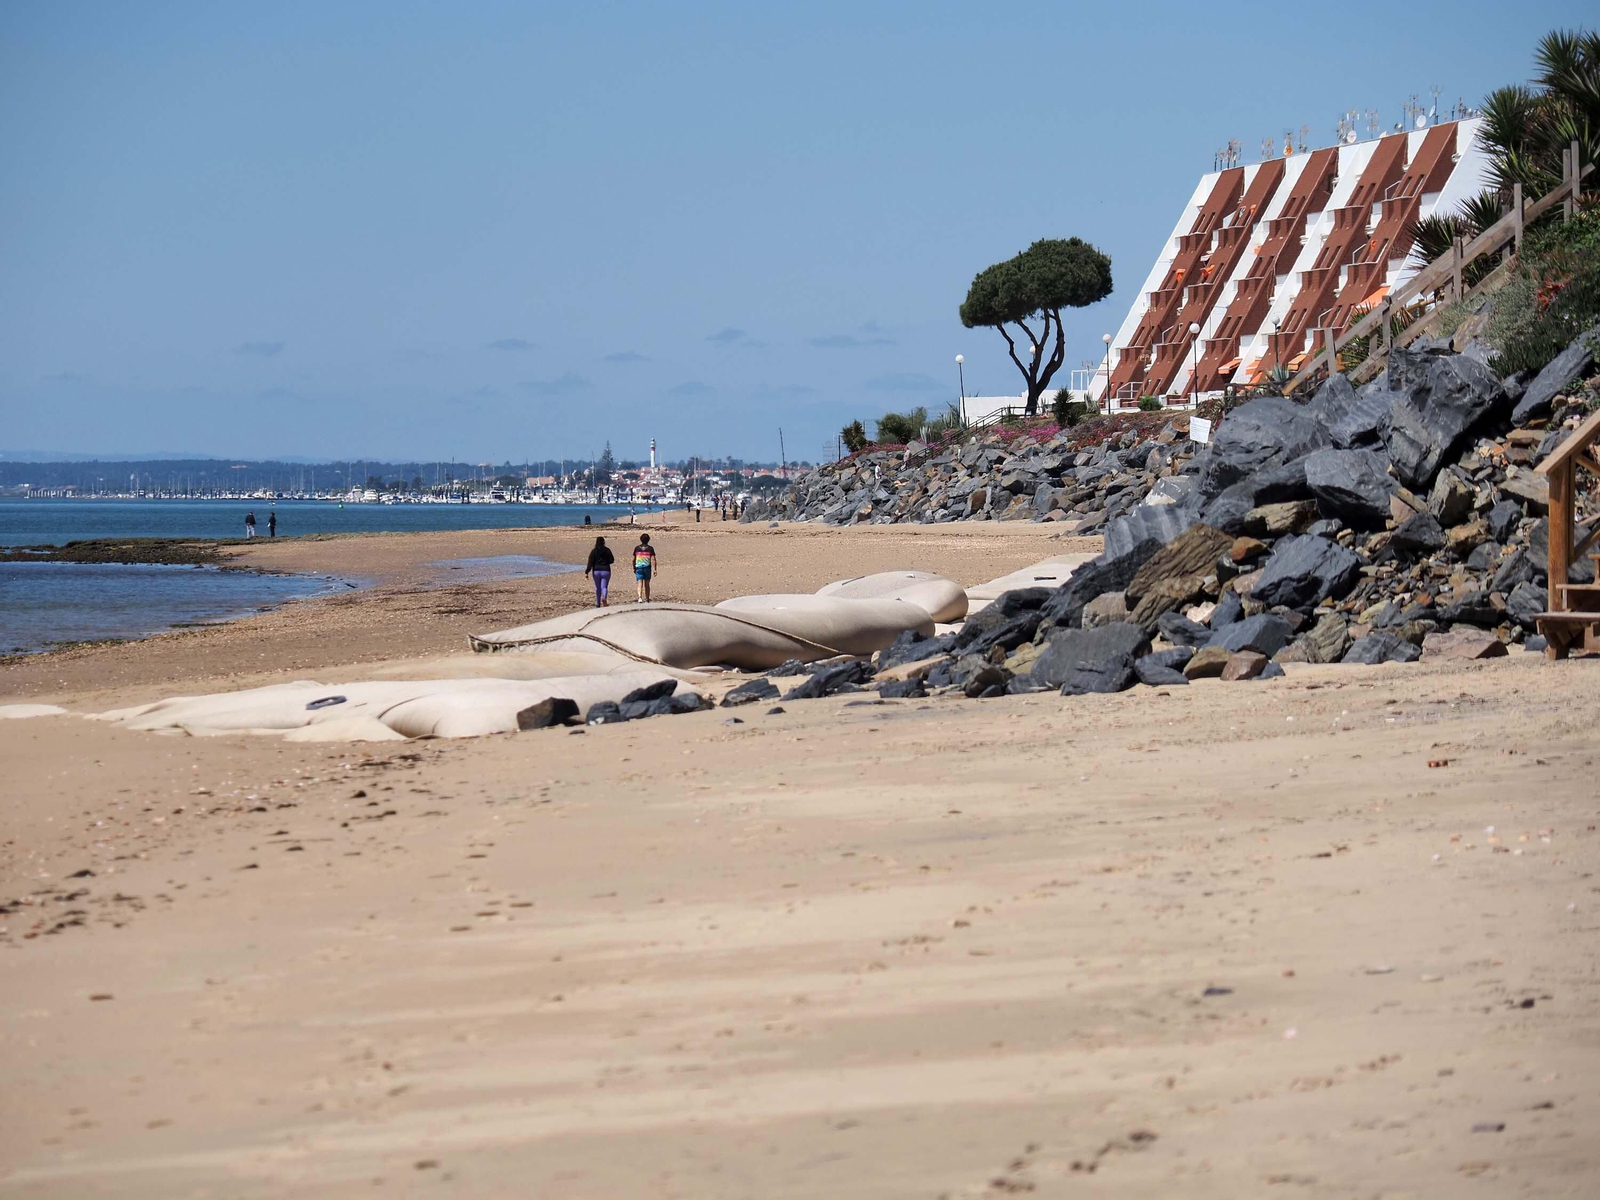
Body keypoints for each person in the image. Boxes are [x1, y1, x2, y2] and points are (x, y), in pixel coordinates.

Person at [585, 535, 614, 607]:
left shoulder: (594, 551)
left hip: (596, 571)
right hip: (606, 570)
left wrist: (587, 572)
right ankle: (604, 597)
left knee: (597, 587)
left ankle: (597, 603)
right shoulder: (607, 550)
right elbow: (611, 560)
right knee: (604, 587)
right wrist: (606, 561)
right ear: (604, 542)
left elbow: (590, 562)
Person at [632, 532, 657, 602]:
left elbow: (634, 559)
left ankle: (640, 597)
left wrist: (634, 567)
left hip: (639, 567)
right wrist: (655, 569)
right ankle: (647, 598)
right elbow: (653, 559)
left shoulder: (637, 548)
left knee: (639, 583)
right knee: (647, 583)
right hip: (647, 567)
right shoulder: (650, 548)